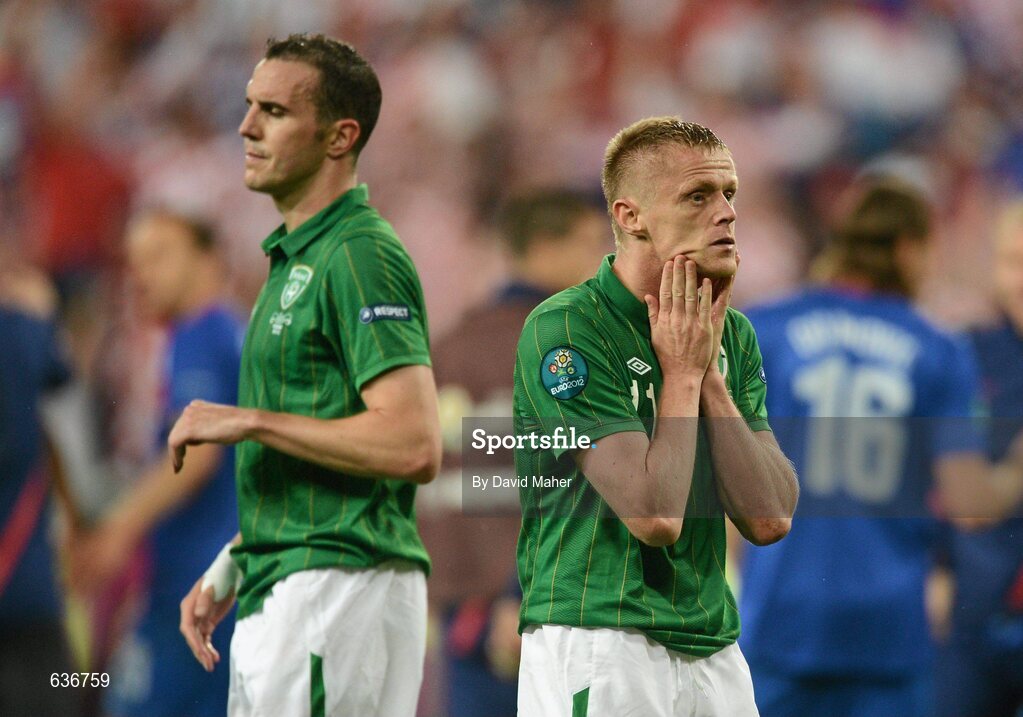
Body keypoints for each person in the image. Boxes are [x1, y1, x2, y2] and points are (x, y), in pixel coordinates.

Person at [167, 34, 441, 717]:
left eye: (274, 112)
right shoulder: (298, 261)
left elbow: (413, 442)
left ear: (338, 136)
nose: (245, 127)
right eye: (248, 106)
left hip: (336, 590)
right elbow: (328, 448)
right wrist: (238, 557)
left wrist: (249, 420)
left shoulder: (358, 254)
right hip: (294, 580)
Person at [511, 117, 799, 717]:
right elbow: (656, 515)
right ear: (629, 216)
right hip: (600, 635)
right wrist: (684, 375)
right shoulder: (567, 329)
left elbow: (770, 517)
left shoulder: (732, 333)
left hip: (712, 642)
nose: (725, 212)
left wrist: (710, 374)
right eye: (698, 196)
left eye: (729, 194)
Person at [738, 178, 1023, 717]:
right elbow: (971, 505)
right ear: (910, 249)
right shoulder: (936, 348)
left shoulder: (764, 331)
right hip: (886, 625)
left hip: (780, 614)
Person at [424, 189, 609, 717]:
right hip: (542, 600)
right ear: (546, 246)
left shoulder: (450, 344)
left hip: (460, 606)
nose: (605, 261)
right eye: (593, 242)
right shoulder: (568, 343)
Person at [67, 210, 243, 717]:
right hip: (220, 582)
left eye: (160, 255)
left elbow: (200, 453)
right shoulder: (230, 334)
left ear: (210, 261)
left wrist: (118, 529)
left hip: (193, 588)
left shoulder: (202, 335)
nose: (141, 274)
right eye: (133, 261)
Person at [936, 200, 1023, 717]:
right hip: (972, 615)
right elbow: (933, 474)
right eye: (1013, 261)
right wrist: (936, 567)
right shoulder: (965, 355)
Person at [0, 255, 81, 717]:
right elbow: (72, 422)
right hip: (28, 599)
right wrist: (46, 315)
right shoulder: (23, 332)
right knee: (81, 681)